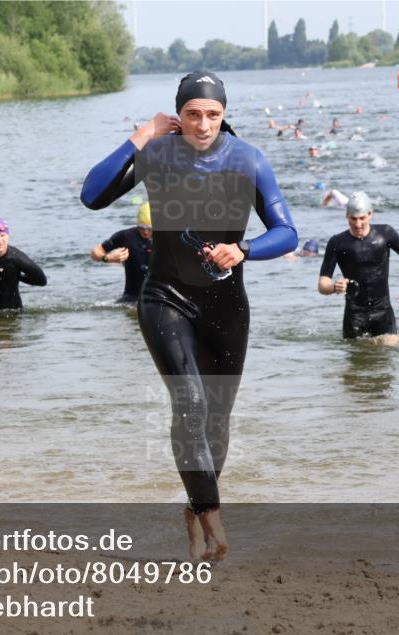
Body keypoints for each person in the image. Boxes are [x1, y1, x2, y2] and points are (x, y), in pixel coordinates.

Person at [80, 69, 297, 561]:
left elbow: (287, 232)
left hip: (227, 305)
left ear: (224, 115)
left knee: (217, 419)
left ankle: (195, 508)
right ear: (178, 114)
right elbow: (92, 195)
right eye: (192, 114)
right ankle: (214, 518)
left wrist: (244, 249)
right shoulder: (158, 154)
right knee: (191, 403)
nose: (202, 124)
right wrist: (143, 133)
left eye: (212, 114)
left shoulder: (248, 160)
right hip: (165, 297)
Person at [317, 192, 399, 346]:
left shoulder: (385, 233)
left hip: (383, 311)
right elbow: (322, 285)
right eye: (353, 219)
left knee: (390, 353)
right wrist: (333, 287)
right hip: (354, 315)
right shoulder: (337, 243)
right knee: (356, 358)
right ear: (346, 215)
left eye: (362, 218)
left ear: (370, 214)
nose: (358, 224)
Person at [90, 202, 154, 302]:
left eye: (149, 228)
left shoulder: (166, 238)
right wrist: (108, 258)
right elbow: (94, 253)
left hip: (159, 298)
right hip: (131, 298)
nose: (145, 232)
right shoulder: (127, 236)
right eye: (142, 228)